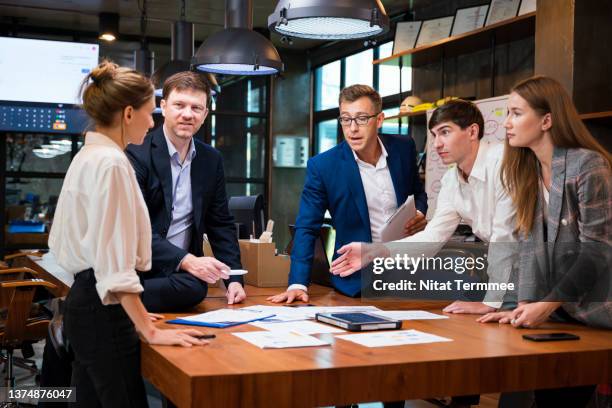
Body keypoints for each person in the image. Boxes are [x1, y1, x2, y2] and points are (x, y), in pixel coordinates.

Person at [48, 60, 206, 407]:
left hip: (88, 305)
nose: (153, 124)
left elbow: (65, 245)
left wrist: (131, 309)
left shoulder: (88, 155)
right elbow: (114, 267)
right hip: (102, 311)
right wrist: (148, 329)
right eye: (151, 113)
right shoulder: (113, 164)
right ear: (128, 113)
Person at [478, 75, 611, 407]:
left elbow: (597, 249)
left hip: (598, 314)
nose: (506, 123)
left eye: (516, 113)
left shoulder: (587, 164)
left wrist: (546, 303)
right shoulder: (529, 171)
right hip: (563, 315)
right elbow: (528, 250)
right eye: (507, 113)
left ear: (547, 120)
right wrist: (519, 306)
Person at [330, 99, 518, 314]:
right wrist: (375, 251)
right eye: (434, 135)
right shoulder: (451, 180)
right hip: (510, 280)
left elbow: (505, 238)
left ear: (472, 132)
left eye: (445, 132)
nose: (437, 144)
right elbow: (432, 238)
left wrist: (490, 303)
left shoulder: (503, 162)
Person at [268, 84, 428, 304]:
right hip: (358, 280)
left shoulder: (403, 148)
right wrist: (298, 283)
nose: (352, 128)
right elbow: (307, 227)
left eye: (362, 118)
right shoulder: (323, 166)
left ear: (379, 120)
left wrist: (419, 212)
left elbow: (418, 192)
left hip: (411, 271)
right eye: (346, 119)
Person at [126, 71, 246, 312]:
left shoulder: (211, 160)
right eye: (179, 105)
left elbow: (220, 223)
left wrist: (233, 278)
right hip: (135, 267)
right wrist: (187, 260)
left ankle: (118, 301)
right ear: (163, 106)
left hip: (179, 276)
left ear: (205, 114)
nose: (187, 114)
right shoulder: (136, 154)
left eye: (196, 107)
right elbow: (135, 231)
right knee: (193, 288)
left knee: (195, 287)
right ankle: (113, 299)